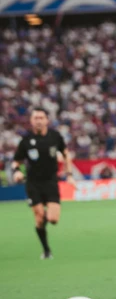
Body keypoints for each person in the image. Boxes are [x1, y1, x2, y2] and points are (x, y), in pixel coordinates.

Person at [11, 108, 76, 259]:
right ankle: (46, 250)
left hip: (51, 182)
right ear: (31, 121)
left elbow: (66, 154)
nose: (39, 121)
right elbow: (16, 161)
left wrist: (69, 175)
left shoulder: (55, 137)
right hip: (33, 183)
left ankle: (41, 222)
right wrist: (17, 171)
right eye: (36, 118)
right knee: (39, 216)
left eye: (41, 118)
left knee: (53, 219)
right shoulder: (26, 141)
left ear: (47, 120)